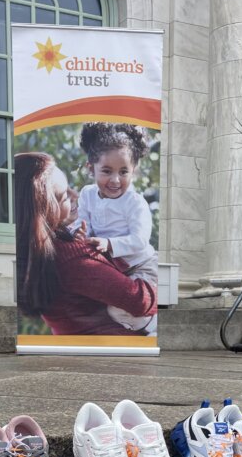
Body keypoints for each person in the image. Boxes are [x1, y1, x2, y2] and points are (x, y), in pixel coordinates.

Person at [14, 152, 157, 337]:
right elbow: (140, 301)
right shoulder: (72, 258)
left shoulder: (34, 252)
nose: (75, 195)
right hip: (114, 349)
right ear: (44, 208)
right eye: (64, 196)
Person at [74, 123, 158, 336]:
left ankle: (151, 327)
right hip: (114, 267)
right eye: (106, 171)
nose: (115, 180)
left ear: (134, 170)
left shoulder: (135, 202)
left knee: (119, 309)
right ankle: (134, 327)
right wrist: (79, 232)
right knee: (103, 306)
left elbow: (140, 240)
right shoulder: (87, 194)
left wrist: (108, 244)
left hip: (142, 265)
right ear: (90, 168)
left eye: (123, 172)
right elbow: (83, 223)